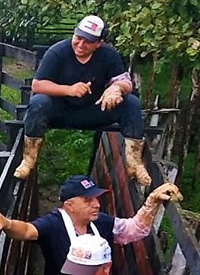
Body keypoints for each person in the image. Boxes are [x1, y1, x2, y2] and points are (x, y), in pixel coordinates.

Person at [0, 174, 181, 275]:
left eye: (96, 198)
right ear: (69, 206)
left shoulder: (100, 221)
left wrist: (152, 202)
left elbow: (133, 229)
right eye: (88, 200)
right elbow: (27, 230)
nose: (96, 204)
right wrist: (7, 223)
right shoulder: (53, 224)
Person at [14, 14, 151, 186]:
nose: (80, 44)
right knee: (38, 102)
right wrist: (69, 90)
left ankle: (134, 163)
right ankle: (28, 159)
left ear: (99, 43)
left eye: (88, 41)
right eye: (78, 38)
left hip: (94, 109)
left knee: (131, 102)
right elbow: (37, 85)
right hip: (61, 110)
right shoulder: (57, 52)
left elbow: (124, 80)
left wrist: (116, 89)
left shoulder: (109, 55)